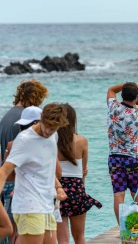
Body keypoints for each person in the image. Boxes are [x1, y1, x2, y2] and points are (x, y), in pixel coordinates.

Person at [0, 103, 68, 244]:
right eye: (48, 126)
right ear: (41, 119)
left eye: (54, 128)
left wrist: (58, 187)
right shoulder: (25, 140)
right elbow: (5, 170)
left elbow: (46, 168)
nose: (49, 131)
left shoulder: (53, 136)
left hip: (47, 204)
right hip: (28, 204)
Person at [0, 79, 48, 244]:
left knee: (8, 232)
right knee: (20, 232)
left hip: (5, 178)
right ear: (35, 97)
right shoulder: (27, 119)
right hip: (20, 182)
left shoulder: (6, 116)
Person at [56, 103, 102, 244]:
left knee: (62, 240)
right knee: (80, 237)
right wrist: (82, 187)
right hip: (76, 188)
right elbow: (84, 170)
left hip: (58, 188)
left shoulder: (52, 141)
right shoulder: (82, 141)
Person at [107, 82, 138, 224]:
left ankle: (122, 228)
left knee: (118, 194)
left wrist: (132, 83)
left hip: (115, 157)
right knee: (137, 192)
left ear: (122, 94)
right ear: (136, 98)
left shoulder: (113, 107)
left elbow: (111, 89)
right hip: (133, 158)